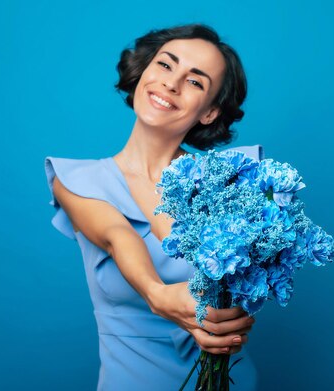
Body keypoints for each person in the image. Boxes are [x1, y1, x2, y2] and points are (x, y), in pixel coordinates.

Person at [44, 24, 264, 390]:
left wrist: (232, 319)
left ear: (209, 112)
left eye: (195, 82)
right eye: (165, 65)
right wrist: (158, 294)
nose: (171, 84)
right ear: (143, 71)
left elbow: (248, 282)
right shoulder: (77, 180)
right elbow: (117, 236)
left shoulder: (229, 182)